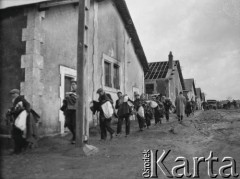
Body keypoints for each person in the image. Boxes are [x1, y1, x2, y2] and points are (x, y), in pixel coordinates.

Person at [6, 89, 39, 154]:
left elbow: (28, 106)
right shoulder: (15, 100)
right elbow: (16, 109)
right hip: (17, 120)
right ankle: (22, 147)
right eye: (11, 94)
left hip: (20, 121)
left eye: (13, 94)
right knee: (18, 135)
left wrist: (25, 112)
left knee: (16, 135)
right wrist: (11, 111)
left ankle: (18, 150)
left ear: (16, 93)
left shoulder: (20, 99)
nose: (12, 95)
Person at [61, 80, 77, 144]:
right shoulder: (71, 93)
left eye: (74, 84)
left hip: (75, 111)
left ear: (77, 85)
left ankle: (75, 138)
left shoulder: (79, 92)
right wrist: (65, 99)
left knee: (74, 124)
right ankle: (74, 135)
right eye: (72, 85)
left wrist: (69, 97)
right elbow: (66, 101)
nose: (72, 86)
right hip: (69, 110)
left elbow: (75, 100)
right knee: (68, 123)